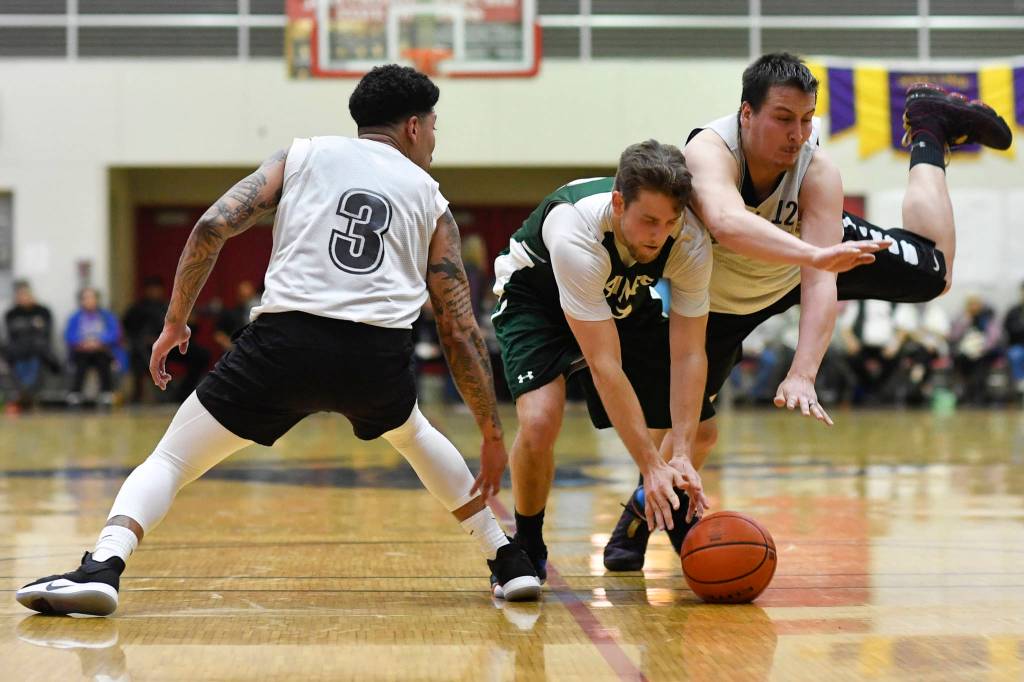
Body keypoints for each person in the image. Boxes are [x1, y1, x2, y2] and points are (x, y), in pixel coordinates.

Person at [16, 64, 539, 617]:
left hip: (284, 344)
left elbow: (211, 227)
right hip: (375, 357)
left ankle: (103, 567)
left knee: (171, 459)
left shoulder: (302, 155)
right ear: (412, 126)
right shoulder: (432, 200)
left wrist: (175, 323)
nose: (435, 137)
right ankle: (506, 559)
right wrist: (490, 431)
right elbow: (458, 328)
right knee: (414, 436)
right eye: (434, 125)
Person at [602, 52, 1013, 570]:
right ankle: (647, 506)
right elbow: (728, 223)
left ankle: (929, 128)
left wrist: (803, 373)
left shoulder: (817, 169)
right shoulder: (709, 150)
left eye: (806, 119)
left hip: (796, 271)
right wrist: (813, 255)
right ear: (746, 113)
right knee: (695, 430)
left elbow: (822, 280)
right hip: (717, 299)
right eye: (782, 118)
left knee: (934, 273)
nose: (797, 134)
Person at [489, 140, 715, 592]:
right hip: (538, 299)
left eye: (670, 221)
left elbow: (689, 351)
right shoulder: (576, 231)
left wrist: (682, 453)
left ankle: (642, 510)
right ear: (618, 202)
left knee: (703, 431)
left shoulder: (688, 240)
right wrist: (651, 463)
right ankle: (528, 544)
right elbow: (604, 364)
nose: (659, 233)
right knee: (539, 420)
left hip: (616, 294)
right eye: (648, 220)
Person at [123, 276, 210, 403]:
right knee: (142, 357)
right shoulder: (137, 309)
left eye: (158, 289)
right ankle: (155, 393)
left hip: (170, 346)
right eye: (152, 289)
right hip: (146, 348)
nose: (155, 292)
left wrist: (191, 323)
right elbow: (128, 329)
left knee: (201, 355)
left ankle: (183, 393)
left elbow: (186, 330)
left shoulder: (168, 306)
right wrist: (145, 339)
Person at [3, 280, 59, 410]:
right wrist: (31, 328)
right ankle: (26, 395)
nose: (24, 298)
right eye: (21, 295)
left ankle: (26, 395)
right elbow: (12, 334)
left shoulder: (43, 311)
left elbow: (45, 333)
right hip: (18, 351)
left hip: (37, 350)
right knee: (20, 361)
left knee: (34, 360)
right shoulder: (11, 313)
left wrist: (25, 330)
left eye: (26, 295)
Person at [64, 287, 122, 408]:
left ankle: (106, 392)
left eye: (92, 297)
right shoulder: (75, 317)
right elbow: (69, 335)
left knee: (103, 360)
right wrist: (82, 343)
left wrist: (99, 342)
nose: (89, 301)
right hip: (81, 351)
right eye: (86, 298)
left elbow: (115, 333)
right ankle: (76, 393)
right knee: (81, 361)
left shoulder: (106, 316)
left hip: (101, 350)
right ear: (81, 301)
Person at [1002, 282, 1024, 395]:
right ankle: (1020, 383)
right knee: (1015, 354)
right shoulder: (1013, 311)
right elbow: (1008, 329)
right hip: (1017, 345)